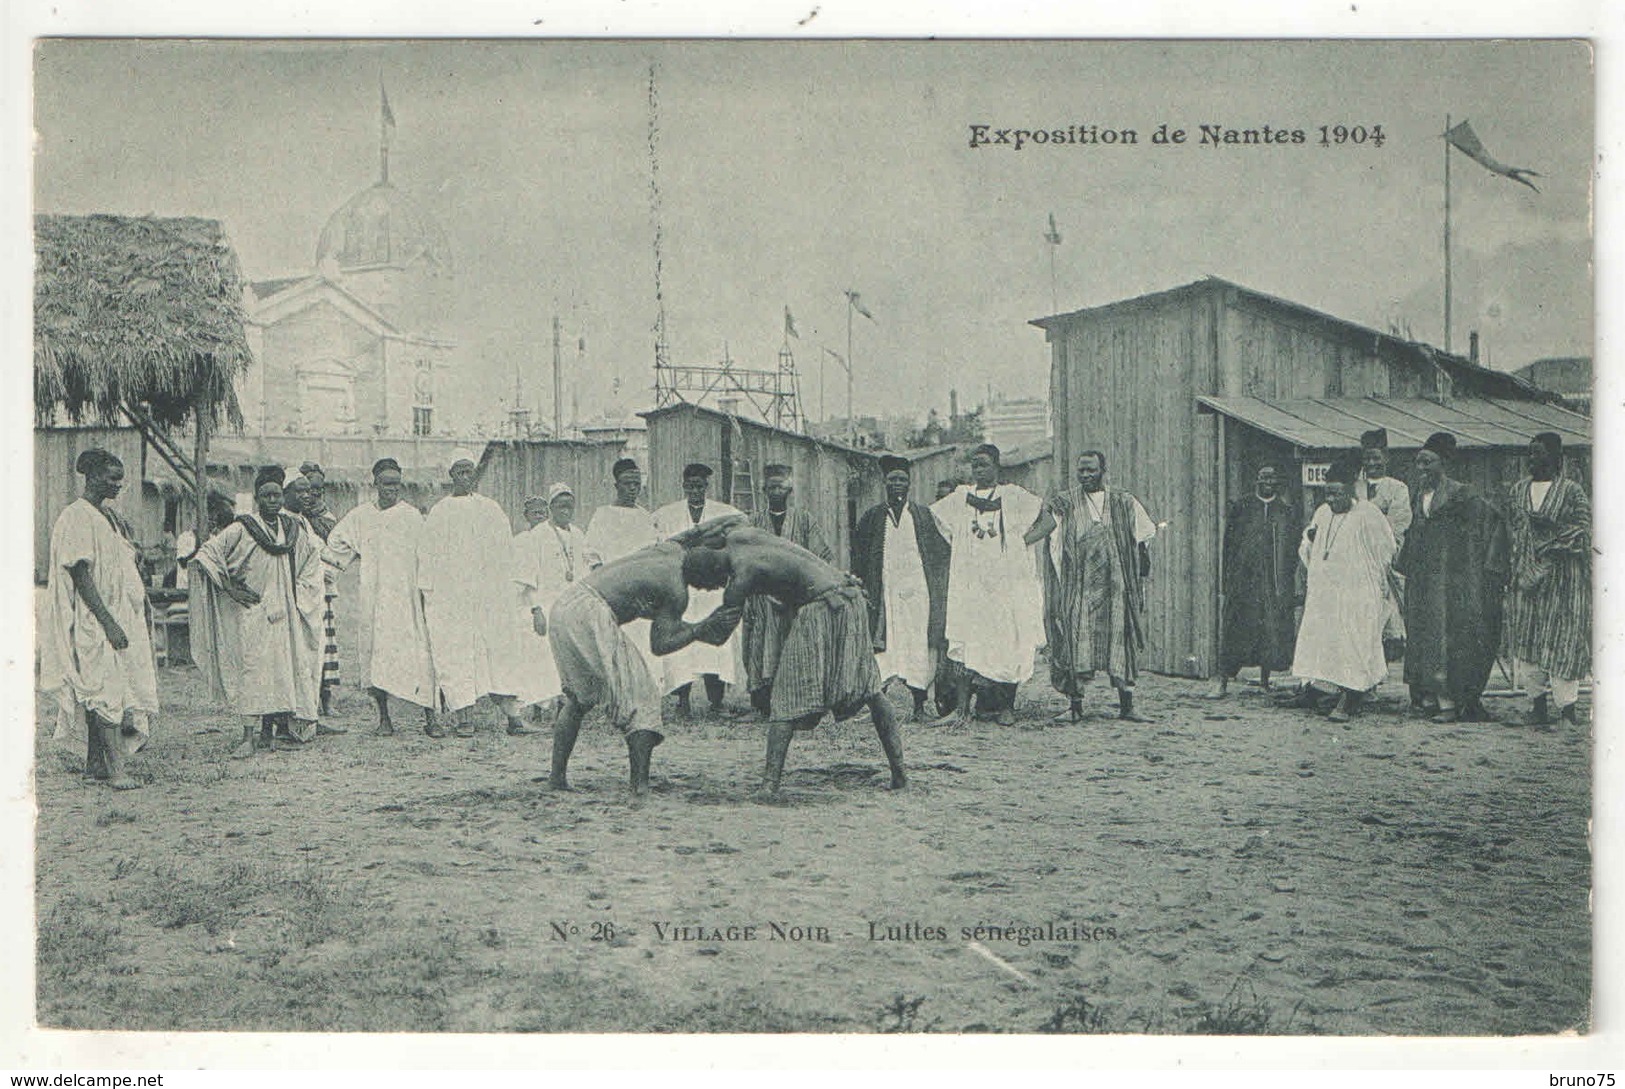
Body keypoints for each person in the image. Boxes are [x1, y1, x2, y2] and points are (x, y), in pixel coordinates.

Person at [683, 525, 908, 796]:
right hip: (850, 595)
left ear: (715, 575)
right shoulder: (739, 535)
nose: (718, 588)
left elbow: (719, 635)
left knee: (786, 697)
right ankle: (900, 774)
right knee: (871, 689)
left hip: (823, 609)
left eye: (712, 586)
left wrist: (686, 631)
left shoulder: (741, 577)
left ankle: (769, 785)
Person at [547, 516, 747, 796]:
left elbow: (695, 531)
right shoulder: (676, 591)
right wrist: (701, 628)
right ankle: (639, 786)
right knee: (643, 699)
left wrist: (734, 523)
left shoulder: (670, 549)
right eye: (712, 585)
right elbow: (661, 644)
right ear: (703, 579)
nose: (709, 591)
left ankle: (557, 779)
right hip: (590, 613)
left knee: (579, 699)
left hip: (566, 605)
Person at [39, 449, 158, 789]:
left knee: (106, 686)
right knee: (105, 689)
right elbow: (80, 573)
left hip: (116, 613)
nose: (118, 484)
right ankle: (118, 772)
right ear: (91, 477)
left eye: (120, 478)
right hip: (94, 617)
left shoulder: (105, 516)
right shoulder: (77, 516)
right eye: (112, 478)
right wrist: (108, 622)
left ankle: (95, 764)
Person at [191, 466, 324, 756]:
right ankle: (247, 736)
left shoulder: (292, 530)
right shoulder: (242, 528)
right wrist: (230, 588)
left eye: (277, 494)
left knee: (278, 672)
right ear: (257, 498)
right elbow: (206, 555)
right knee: (253, 671)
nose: (272, 501)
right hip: (252, 611)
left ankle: (268, 733)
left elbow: (310, 562)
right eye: (266, 496)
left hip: (284, 611)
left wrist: (299, 596)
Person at [1029, 450, 1158, 723]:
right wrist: (1018, 543)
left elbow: (1143, 539)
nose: (1086, 475)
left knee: (1121, 645)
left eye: (1091, 470)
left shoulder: (1124, 502)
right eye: (1081, 471)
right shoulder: (1065, 502)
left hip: (1117, 589)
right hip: (1079, 588)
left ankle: (1127, 707)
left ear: (1103, 470)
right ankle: (1075, 708)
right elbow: (1046, 527)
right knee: (1075, 643)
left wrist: (1139, 580)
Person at [928, 444, 1046, 727]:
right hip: (971, 584)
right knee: (966, 640)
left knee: (1008, 640)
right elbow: (942, 526)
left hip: (1005, 585)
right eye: (974, 465)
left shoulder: (1014, 496)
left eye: (983, 464)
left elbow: (1048, 521)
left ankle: (1007, 707)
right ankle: (961, 710)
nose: (978, 469)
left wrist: (1018, 546)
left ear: (996, 466)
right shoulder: (959, 498)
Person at [1396, 432, 1510, 723]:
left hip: (1452, 581)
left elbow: (1490, 526)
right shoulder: (1417, 497)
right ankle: (1429, 698)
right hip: (1423, 580)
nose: (1422, 469)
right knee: (1423, 635)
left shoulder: (1464, 495)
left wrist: (1483, 569)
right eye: (1418, 463)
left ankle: (1451, 703)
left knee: (1448, 638)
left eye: (1428, 463)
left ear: (1444, 463)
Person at [418, 451, 532, 738]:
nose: (466, 477)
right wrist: (429, 592)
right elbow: (428, 556)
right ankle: (463, 717)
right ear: (452, 476)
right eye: (460, 472)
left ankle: (513, 717)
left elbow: (506, 552)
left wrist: (504, 588)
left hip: (489, 596)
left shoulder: (491, 509)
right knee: (456, 652)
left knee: (499, 652)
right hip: (452, 598)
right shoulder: (440, 512)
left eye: (470, 472)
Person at [324, 458, 439, 736]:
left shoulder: (411, 516)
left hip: (407, 597)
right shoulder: (361, 516)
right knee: (376, 656)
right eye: (387, 483)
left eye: (396, 484)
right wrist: (338, 564)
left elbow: (428, 555)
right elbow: (336, 543)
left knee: (420, 655)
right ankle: (384, 719)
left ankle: (431, 718)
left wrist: (426, 592)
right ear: (375, 484)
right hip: (374, 598)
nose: (392, 489)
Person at [1279, 455, 1396, 723]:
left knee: (1352, 642)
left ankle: (1351, 696)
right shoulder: (1322, 512)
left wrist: (1371, 582)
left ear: (1352, 489)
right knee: (1320, 640)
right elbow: (1307, 547)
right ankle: (1315, 689)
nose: (1331, 499)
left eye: (1337, 493)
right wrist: (1309, 542)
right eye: (1327, 493)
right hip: (1324, 593)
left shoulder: (1368, 514)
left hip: (1356, 593)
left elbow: (1386, 551)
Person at [852, 454, 951, 720]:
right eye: (892, 479)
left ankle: (919, 705)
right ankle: (880, 709)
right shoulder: (872, 518)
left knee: (918, 645)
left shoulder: (923, 516)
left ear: (909, 484)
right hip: (884, 595)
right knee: (885, 647)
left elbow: (941, 554)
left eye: (902, 480)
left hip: (918, 593)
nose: (897, 484)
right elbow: (858, 556)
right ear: (884, 483)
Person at [1506, 432, 1591, 729]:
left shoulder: (1571, 491)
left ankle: (1567, 712)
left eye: (1539, 453)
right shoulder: (1518, 490)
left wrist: (1553, 531)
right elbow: (1513, 531)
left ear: (1556, 459)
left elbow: (1584, 531)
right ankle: (1537, 707)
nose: (1533, 459)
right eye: (1530, 453)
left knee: (1563, 639)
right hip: (1528, 579)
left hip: (1563, 579)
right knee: (1529, 639)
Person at [741, 463, 833, 716]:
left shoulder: (803, 520)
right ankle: (762, 704)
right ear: (764, 490)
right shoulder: (754, 521)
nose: (776, 491)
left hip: (796, 596)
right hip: (762, 596)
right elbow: (744, 558)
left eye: (781, 487)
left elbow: (819, 557)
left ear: (790, 489)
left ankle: (800, 703)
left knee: (798, 646)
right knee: (760, 646)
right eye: (771, 487)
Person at [652, 462, 743, 718]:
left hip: (711, 589)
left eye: (700, 486)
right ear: (683, 486)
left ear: (706, 487)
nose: (695, 490)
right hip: (682, 588)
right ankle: (683, 702)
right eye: (690, 485)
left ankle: (717, 702)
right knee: (682, 646)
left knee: (714, 643)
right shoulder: (665, 515)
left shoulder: (722, 513)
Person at [515, 483, 602, 724]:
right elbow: (529, 575)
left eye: (569, 506)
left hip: (571, 606)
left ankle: (565, 707)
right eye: (560, 505)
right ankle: (539, 708)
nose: (565, 510)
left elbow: (586, 569)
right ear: (551, 507)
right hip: (546, 604)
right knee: (543, 657)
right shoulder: (539, 534)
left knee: (569, 657)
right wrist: (536, 609)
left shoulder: (578, 534)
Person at [1210, 465, 1297, 698]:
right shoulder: (1242, 507)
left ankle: (1265, 680)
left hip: (1271, 584)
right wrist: (1227, 581)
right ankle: (1222, 682)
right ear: (1257, 480)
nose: (1268, 481)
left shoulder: (1284, 510)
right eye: (1264, 477)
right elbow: (1228, 545)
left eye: (1272, 478)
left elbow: (1290, 552)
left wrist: (1287, 586)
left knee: (1269, 632)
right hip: (1243, 583)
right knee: (1234, 629)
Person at [583, 457, 663, 668]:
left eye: (637, 484)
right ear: (616, 485)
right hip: (613, 592)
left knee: (642, 645)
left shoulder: (646, 517)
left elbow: (654, 553)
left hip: (641, 592)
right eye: (628, 484)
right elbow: (592, 556)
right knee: (614, 646)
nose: (633, 489)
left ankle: (644, 697)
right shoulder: (602, 516)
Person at [1357, 429, 1412, 660]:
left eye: (1376, 458)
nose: (1372, 464)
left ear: (1386, 459)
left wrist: (1374, 533)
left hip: (1385, 558)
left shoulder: (1397, 488)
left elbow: (1398, 522)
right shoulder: (1354, 486)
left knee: (1387, 610)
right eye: (1368, 459)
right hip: (1357, 558)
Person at [299, 461, 343, 714]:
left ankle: (326, 698)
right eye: (309, 488)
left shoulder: (326, 518)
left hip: (322, 588)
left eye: (319, 488)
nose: (314, 494)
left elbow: (333, 552)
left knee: (325, 644)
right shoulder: (293, 516)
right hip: (301, 588)